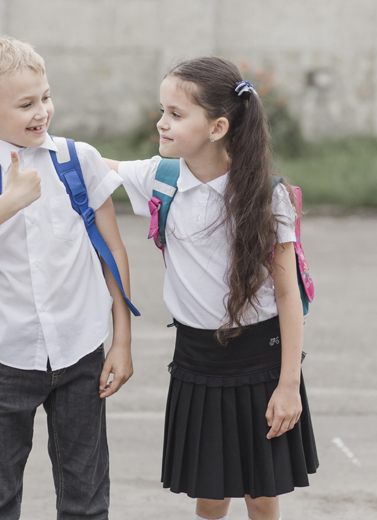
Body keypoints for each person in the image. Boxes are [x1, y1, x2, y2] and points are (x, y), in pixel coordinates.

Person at [0, 35, 134, 520]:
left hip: (81, 350)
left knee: (86, 500)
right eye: (25, 104)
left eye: (44, 97)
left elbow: (114, 253)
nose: (41, 111)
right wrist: (7, 204)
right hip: (5, 357)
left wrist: (121, 341)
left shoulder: (79, 160)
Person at [103, 56, 318, 520]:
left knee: (261, 493)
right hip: (196, 358)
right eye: (162, 111)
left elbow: (287, 296)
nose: (161, 124)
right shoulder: (160, 178)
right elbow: (95, 165)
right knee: (210, 490)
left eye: (176, 115)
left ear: (218, 126)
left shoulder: (266, 196)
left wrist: (288, 386)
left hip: (262, 359)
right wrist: (34, 132)